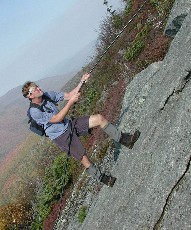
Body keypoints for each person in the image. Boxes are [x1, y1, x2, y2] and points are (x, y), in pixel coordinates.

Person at [22, 73, 140, 187]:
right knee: (83, 157)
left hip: (68, 124)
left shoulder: (47, 95)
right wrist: (71, 102)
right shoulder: (34, 112)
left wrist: (81, 82)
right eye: (35, 89)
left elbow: (69, 95)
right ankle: (103, 178)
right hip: (60, 136)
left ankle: (125, 140)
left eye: (37, 86)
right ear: (30, 96)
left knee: (99, 118)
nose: (39, 88)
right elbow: (57, 118)